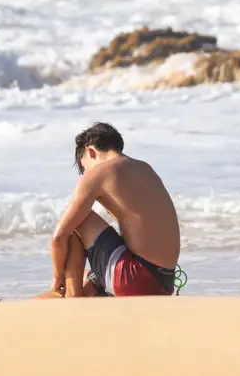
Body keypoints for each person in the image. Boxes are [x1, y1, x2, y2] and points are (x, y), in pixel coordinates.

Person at [46, 122, 181, 298]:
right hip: (163, 283)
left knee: (78, 220)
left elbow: (59, 237)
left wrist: (57, 277)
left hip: (136, 279)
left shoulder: (98, 174)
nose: (87, 173)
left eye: (85, 168)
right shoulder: (145, 168)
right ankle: (86, 291)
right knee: (86, 276)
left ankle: (73, 300)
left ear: (90, 152)